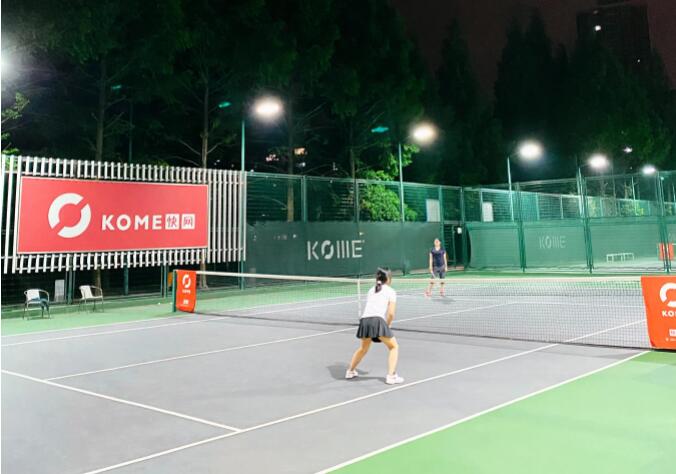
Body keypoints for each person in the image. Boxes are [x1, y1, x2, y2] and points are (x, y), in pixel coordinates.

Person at [345, 268, 404, 385]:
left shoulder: (371, 290)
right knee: (394, 347)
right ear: (388, 279)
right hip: (377, 321)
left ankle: (350, 371)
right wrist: (388, 325)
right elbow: (391, 314)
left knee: (363, 348)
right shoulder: (391, 291)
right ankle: (391, 376)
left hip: (364, 321)